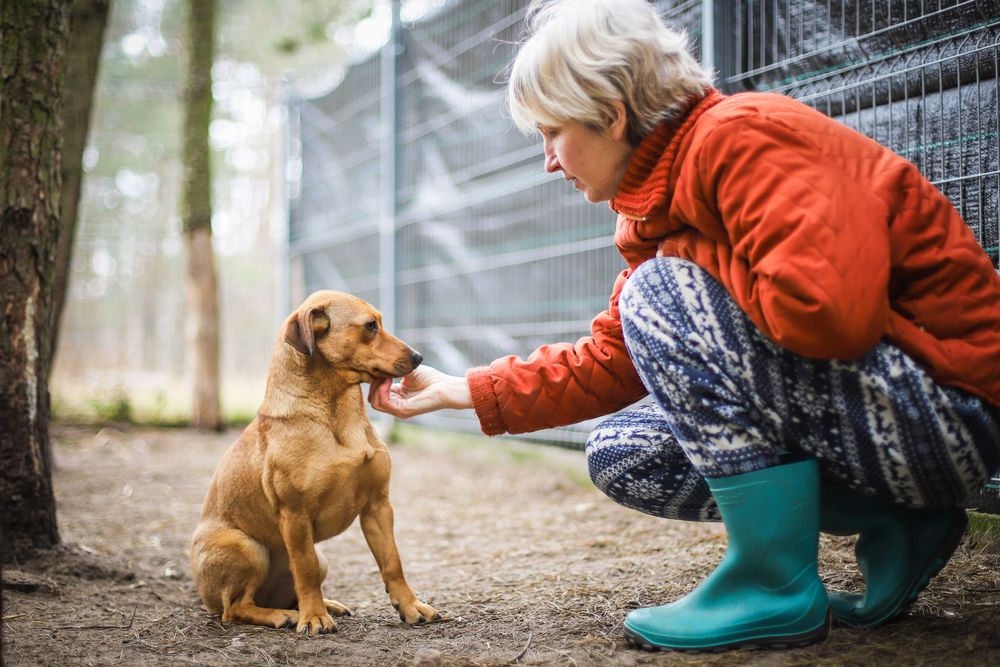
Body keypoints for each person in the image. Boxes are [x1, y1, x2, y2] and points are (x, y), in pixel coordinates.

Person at [368, 0, 1000, 652]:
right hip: (892, 421)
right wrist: (465, 390)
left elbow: (827, 313)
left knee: (656, 291)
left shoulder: (744, 135)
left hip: (952, 417)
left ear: (612, 115)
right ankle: (898, 523)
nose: (549, 162)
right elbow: (614, 357)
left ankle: (772, 583)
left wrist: (684, 259)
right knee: (627, 452)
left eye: (552, 133)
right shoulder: (657, 197)